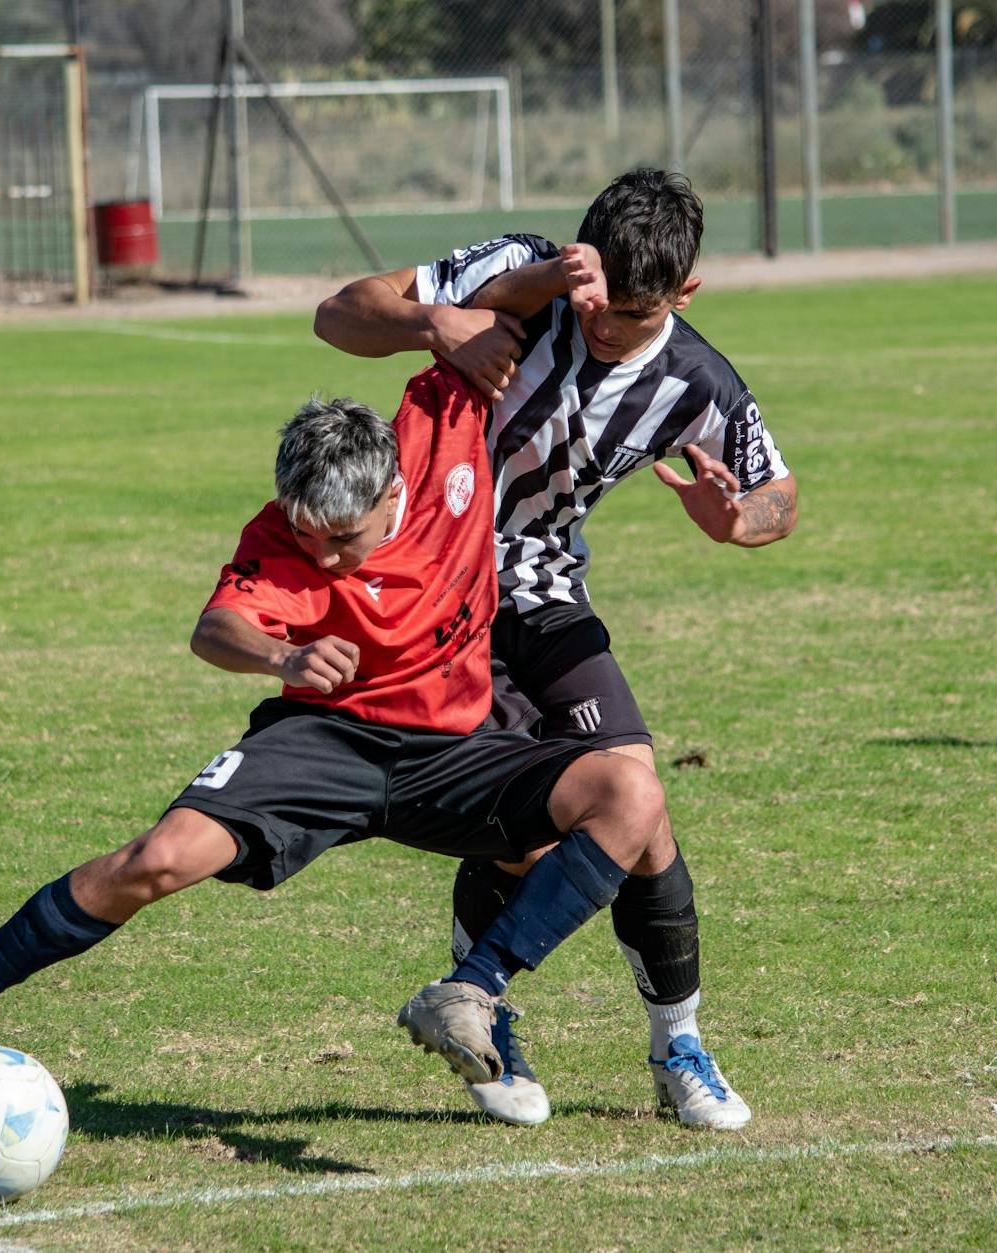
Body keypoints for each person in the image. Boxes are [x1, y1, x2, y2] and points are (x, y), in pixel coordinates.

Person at [0, 367, 677, 1112]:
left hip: (458, 748)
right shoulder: (282, 540)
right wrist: (284, 653)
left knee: (631, 795)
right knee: (155, 858)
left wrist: (449, 314)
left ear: (391, 494)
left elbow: (494, 299)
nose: (328, 559)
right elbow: (215, 627)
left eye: (345, 540)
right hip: (325, 739)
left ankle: (471, 993)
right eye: (309, 536)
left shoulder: (445, 417)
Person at [313, 169, 797, 1131]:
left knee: (640, 803)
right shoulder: (520, 276)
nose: (603, 324)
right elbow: (338, 314)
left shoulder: (698, 381)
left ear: (684, 296)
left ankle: (676, 1047)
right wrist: (434, 323)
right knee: (528, 829)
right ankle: (490, 1021)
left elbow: (780, 495)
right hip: (436, 593)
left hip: (544, 593)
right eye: (593, 298)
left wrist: (736, 519)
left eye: (631, 312)